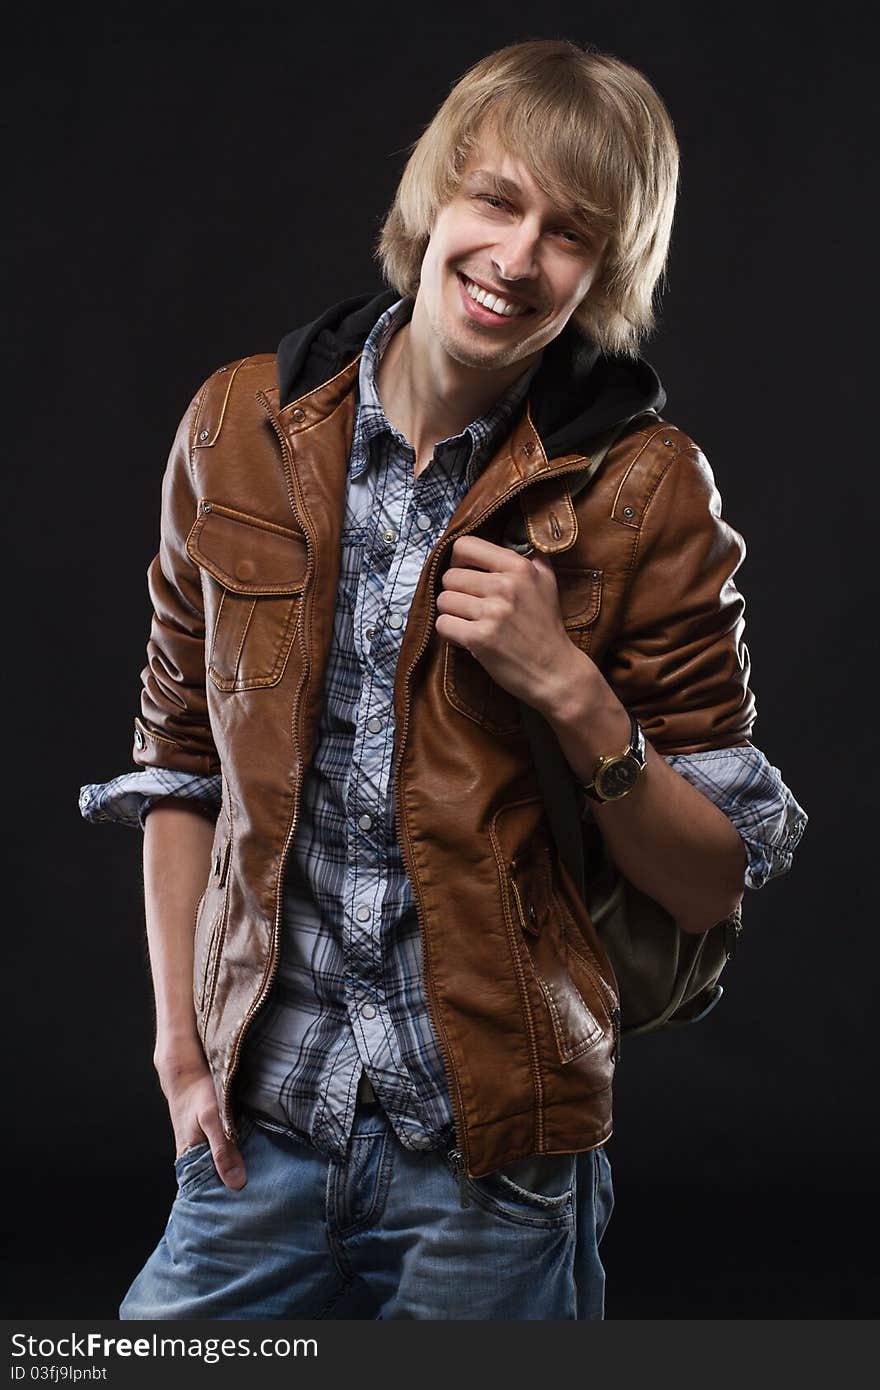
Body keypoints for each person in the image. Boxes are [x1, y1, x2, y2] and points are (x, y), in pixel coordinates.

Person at [79, 38, 806, 1320]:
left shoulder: (642, 489)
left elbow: (709, 874)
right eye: (497, 200)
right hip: (259, 1129)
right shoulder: (237, 429)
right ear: (434, 196)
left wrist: (572, 691)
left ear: (606, 272)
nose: (518, 258)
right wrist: (180, 1052)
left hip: (498, 1164)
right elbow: (180, 767)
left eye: (571, 234)